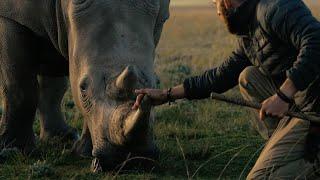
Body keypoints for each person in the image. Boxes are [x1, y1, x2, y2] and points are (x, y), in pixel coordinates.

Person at [133, 0, 320, 179]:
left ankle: (312, 160)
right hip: (300, 100)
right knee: (248, 77)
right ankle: (288, 144)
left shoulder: (275, 7)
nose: (216, 10)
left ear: (227, 2)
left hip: (313, 109)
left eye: (215, 3)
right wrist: (167, 95)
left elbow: (316, 41)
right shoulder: (249, 29)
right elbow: (220, 77)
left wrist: (282, 95)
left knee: (260, 177)